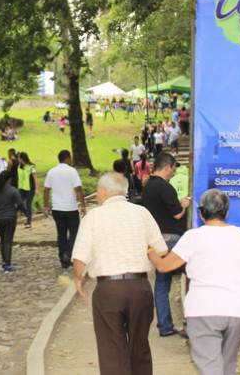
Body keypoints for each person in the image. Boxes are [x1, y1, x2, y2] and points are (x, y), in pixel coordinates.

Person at [148, 189, 240, 375]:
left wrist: (150, 251)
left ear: (201, 213)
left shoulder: (193, 237)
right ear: (226, 212)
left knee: (211, 368)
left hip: (203, 311)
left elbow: (163, 267)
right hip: (238, 311)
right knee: (227, 365)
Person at [71, 172, 168, 375]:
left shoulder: (93, 217)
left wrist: (78, 279)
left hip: (109, 289)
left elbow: (80, 256)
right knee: (140, 346)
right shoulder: (142, 213)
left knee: (112, 349)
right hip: (140, 287)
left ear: (103, 192)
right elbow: (161, 250)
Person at [141, 152, 191, 337]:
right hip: (171, 239)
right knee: (193, 274)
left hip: (157, 239)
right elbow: (177, 214)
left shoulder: (148, 187)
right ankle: (188, 321)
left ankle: (165, 324)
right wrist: (184, 204)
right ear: (168, 167)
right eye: (174, 169)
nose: (174, 173)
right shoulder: (165, 187)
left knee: (162, 284)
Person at [43, 150, 87, 269]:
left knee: (61, 234)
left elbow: (46, 190)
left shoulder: (52, 172)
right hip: (70, 207)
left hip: (57, 208)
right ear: (67, 158)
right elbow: (78, 189)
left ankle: (63, 259)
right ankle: (68, 253)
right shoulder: (72, 171)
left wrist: (46, 205)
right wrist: (82, 204)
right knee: (75, 232)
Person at [0, 171, 23, 273]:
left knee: (2, 240)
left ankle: (4, 260)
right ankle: (7, 264)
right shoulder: (13, 190)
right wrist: (14, 210)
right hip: (10, 217)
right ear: (9, 180)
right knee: (8, 241)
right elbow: (20, 204)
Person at [16, 152, 37, 229]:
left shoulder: (31, 167)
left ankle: (29, 222)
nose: (18, 159)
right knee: (20, 203)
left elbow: (35, 178)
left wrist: (36, 189)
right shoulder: (19, 167)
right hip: (22, 188)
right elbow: (19, 178)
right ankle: (28, 215)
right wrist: (18, 187)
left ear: (22, 159)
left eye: (19, 158)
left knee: (28, 204)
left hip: (30, 188)